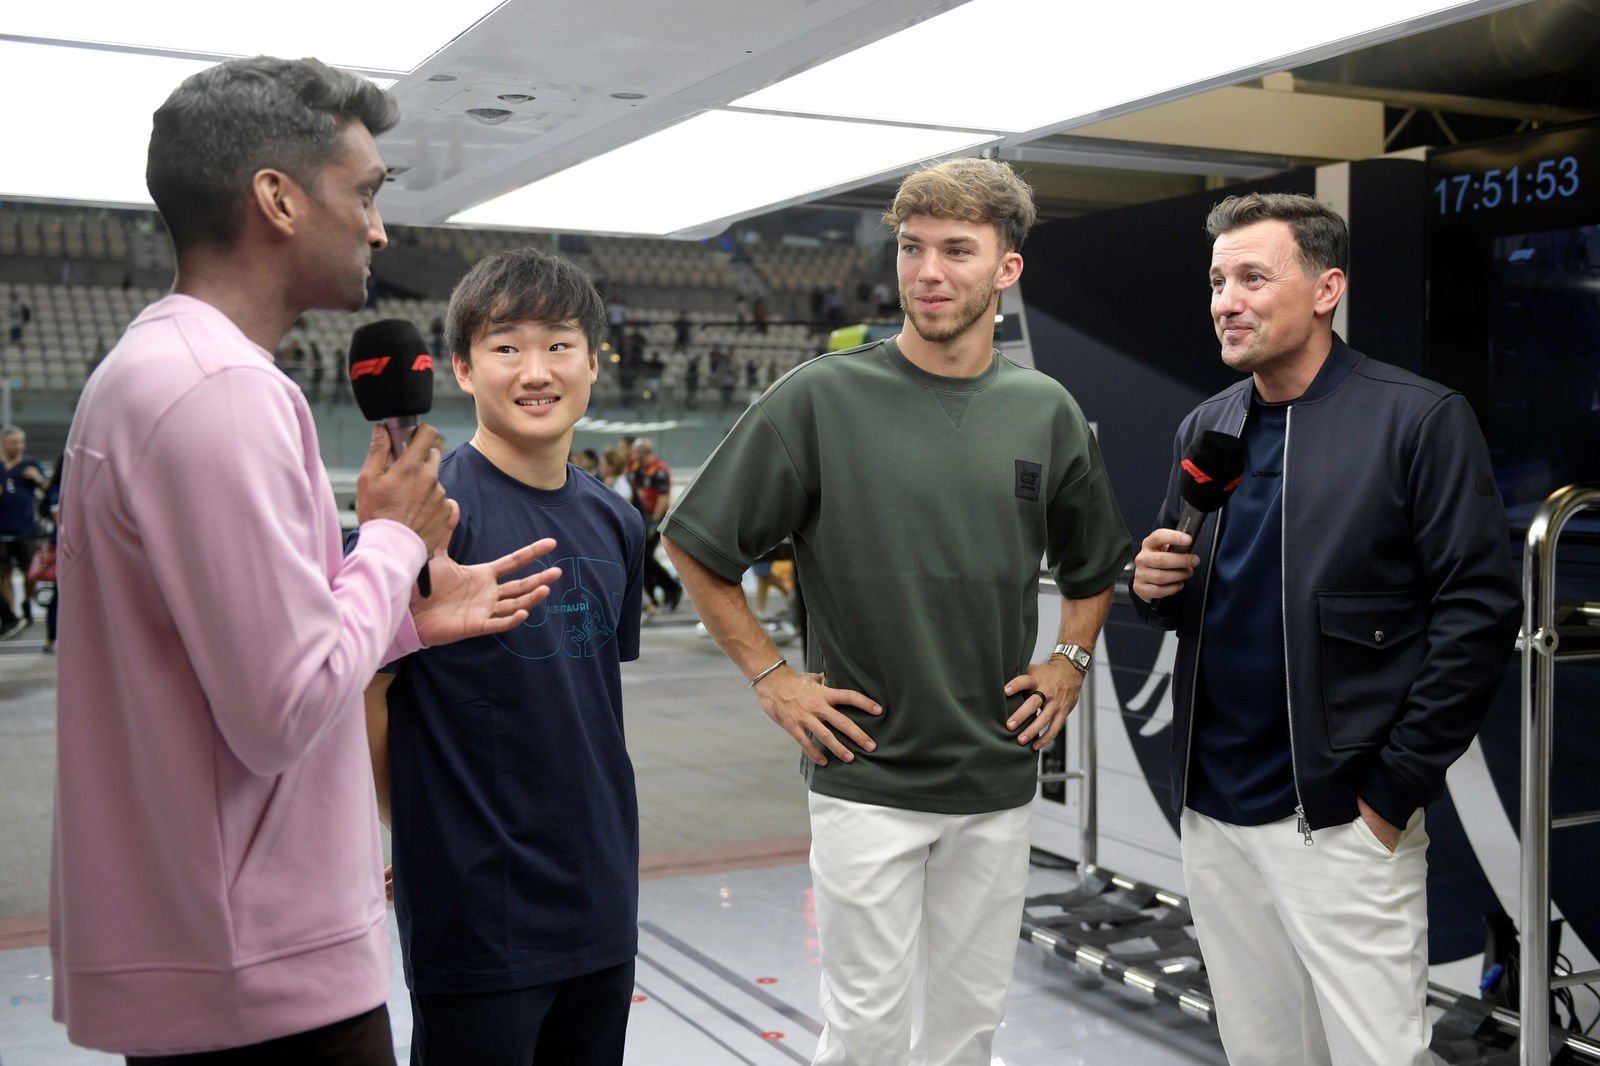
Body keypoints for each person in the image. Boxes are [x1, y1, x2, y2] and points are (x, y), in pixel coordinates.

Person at [51, 56, 560, 1064]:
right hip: (260, 972)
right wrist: (391, 542)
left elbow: (228, 661)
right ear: (277, 199)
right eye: (363, 194)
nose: (377, 228)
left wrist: (405, 613)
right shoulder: (219, 393)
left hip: (210, 948)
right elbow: (280, 706)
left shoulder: (159, 369)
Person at [661, 157, 1131, 1065]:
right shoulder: (819, 398)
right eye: (913, 248)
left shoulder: (1045, 411)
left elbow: (1093, 564)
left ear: (1007, 270)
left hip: (994, 778)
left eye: (958, 250)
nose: (928, 272)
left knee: (968, 1033)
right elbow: (699, 546)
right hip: (866, 778)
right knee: (866, 1035)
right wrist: (773, 678)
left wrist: (1069, 661)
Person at [1129, 192, 1521, 1066]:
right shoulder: (1211, 424)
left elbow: (1480, 612)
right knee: (1263, 1052)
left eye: (1253, 277)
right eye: (1217, 280)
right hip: (1213, 812)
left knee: (1374, 1055)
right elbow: (1197, 589)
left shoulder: (1415, 419)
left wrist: (1390, 795)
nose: (1225, 300)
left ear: (1325, 288)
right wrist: (1153, 586)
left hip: (1340, 817)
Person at [365, 248, 644, 1066]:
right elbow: (362, 696)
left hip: (600, 900)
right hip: (479, 910)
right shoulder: (424, 518)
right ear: (461, 366)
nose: (537, 370)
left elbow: (585, 708)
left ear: (594, 361)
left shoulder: (618, 522)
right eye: (506, 346)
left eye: (560, 344)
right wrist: (410, 828)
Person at [0, 425, 45, 633]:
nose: (18, 447)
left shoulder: (30, 464)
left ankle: (27, 603)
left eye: (21, 442)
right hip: (2, 529)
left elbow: (48, 490)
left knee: (30, 571)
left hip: (26, 528)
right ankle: (11, 612)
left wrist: (37, 478)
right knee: (3, 573)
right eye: (14, 442)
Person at [629, 438, 681, 610]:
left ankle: (671, 586)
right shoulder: (637, 469)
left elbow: (662, 498)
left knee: (646, 558)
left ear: (644, 452)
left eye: (636, 451)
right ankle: (653, 594)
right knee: (644, 560)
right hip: (641, 519)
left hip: (654, 521)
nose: (633, 454)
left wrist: (653, 523)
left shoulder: (659, 470)